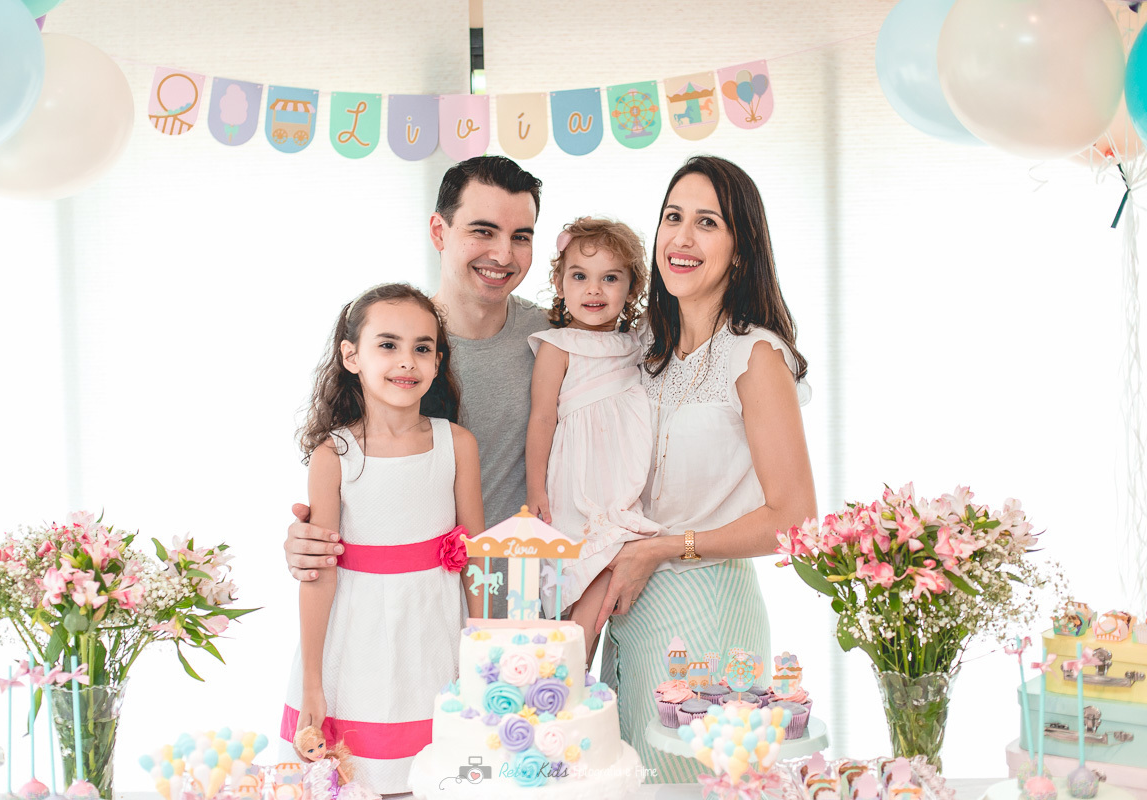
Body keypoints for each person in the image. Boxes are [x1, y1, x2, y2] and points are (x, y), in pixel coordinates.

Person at [593, 155, 817, 783]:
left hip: (710, 605)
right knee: (632, 778)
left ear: (740, 249)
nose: (682, 239)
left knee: (694, 783)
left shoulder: (755, 355)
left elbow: (793, 520)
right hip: (631, 605)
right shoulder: (643, 349)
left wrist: (663, 549)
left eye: (707, 223)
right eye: (672, 217)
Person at [285, 156, 547, 617]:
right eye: (483, 231)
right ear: (439, 232)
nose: (503, 255)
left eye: (520, 237)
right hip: (410, 603)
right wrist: (308, 541)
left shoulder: (553, 341)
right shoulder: (393, 347)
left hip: (520, 597)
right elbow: (351, 465)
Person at [279, 283, 485, 794]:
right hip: (356, 640)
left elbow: (480, 559)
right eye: (387, 345)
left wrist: (487, 656)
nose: (406, 361)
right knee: (360, 779)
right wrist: (313, 683)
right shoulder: (334, 456)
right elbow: (319, 574)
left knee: (436, 775)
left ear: (438, 361)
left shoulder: (456, 444)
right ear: (352, 355)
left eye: (422, 347)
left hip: (434, 635)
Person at [524, 216, 659, 661]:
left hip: (620, 476)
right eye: (580, 276)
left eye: (610, 278)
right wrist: (535, 488)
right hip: (576, 477)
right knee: (576, 567)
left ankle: (576, 666)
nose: (593, 290)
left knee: (612, 561)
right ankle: (563, 668)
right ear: (560, 284)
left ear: (631, 287)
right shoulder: (557, 345)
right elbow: (542, 419)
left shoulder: (635, 343)